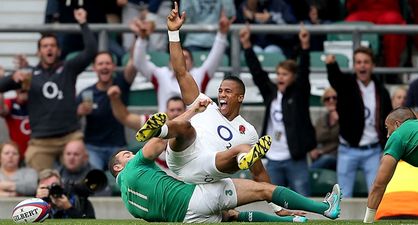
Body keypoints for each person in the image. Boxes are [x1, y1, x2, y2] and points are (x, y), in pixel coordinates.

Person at [108, 138, 342, 222]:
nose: (132, 154)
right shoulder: (134, 167)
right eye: (126, 155)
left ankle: (291, 222)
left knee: (233, 217)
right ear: (118, 167)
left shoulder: (129, 205)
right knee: (263, 190)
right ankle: (325, 208)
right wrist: (173, 126)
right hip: (195, 197)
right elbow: (157, 143)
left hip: (187, 219)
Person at [166, 2, 270, 184]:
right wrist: (173, 33)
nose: (221, 94)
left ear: (240, 97)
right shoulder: (204, 105)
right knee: (185, 126)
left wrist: (276, 205)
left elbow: (259, 173)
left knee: (243, 151)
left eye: (228, 91)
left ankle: (242, 160)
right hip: (183, 161)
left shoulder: (249, 132)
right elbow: (181, 72)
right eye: (220, 90)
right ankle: (160, 129)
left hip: (210, 176)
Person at [0, 8, 97, 172]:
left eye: (52, 45)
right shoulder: (28, 75)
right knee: (36, 176)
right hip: (41, 140)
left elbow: (91, 51)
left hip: (70, 135)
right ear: (39, 52)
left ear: (58, 50)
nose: (49, 49)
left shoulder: (69, 68)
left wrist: (83, 23)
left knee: (78, 163)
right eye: (45, 46)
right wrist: (12, 78)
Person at [239, 24, 315, 196]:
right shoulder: (271, 93)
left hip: (295, 158)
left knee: (303, 199)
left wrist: (305, 47)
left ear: (293, 77)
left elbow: (304, 72)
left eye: (285, 74)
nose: (280, 77)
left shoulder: (299, 94)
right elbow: (257, 73)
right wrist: (247, 46)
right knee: (273, 201)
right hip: (273, 158)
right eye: (278, 73)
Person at [131, 9, 233, 112]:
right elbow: (139, 62)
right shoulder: (161, 75)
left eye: (186, 58)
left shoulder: (199, 74)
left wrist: (222, 34)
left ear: (192, 63)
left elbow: (215, 57)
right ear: (169, 61)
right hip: (167, 125)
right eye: (176, 57)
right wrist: (142, 38)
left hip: (193, 126)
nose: (180, 61)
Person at [325, 47, 392, 198]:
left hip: (373, 151)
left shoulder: (381, 90)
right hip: (347, 150)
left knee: (376, 196)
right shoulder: (346, 85)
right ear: (354, 66)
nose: (362, 66)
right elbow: (335, 78)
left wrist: (385, 148)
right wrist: (331, 64)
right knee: (343, 196)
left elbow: (388, 120)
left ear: (373, 65)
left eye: (366, 62)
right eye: (359, 62)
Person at [76, 51, 136, 170]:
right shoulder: (87, 93)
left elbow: (133, 64)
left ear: (114, 67)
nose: (104, 66)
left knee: (125, 175)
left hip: (117, 147)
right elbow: (70, 120)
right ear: (94, 68)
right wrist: (79, 113)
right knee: (94, 176)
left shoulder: (121, 85)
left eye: (108, 63)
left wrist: (139, 37)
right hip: (92, 147)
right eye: (100, 64)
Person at [363, 107, 418, 223]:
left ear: (397, 124)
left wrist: (368, 221)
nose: (388, 135)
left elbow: (379, 184)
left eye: (388, 128)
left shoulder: (397, 135)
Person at [345, 0, 406, 67]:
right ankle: (353, 67)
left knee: (393, 21)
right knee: (350, 23)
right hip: (363, 11)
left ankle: (392, 70)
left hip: (388, 11)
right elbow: (350, 6)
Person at [310, 87, 339, 170]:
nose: (331, 101)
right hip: (321, 156)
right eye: (327, 99)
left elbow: (340, 141)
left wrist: (322, 151)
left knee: (326, 159)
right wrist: (313, 150)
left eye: (334, 98)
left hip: (339, 155)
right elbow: (315, 138)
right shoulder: (321, 120)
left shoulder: (345, 119)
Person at [0, 89, 30, 162]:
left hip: (36, 151)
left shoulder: (37, 103)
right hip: (17, 154)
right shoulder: (10, 102)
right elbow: (3, 111)